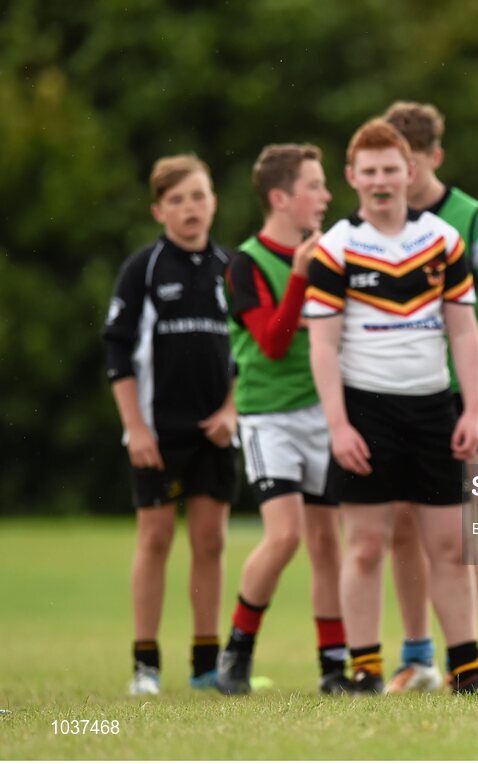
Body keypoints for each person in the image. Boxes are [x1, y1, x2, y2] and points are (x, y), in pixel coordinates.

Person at [305, 118, 478, 694]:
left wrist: (469, 411)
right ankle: (364, 670)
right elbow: (322, 346)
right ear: (352, 178)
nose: (381, 181)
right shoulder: (336, 247)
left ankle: (466, 667)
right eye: (369, 172)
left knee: (448, 543)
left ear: (409, 172)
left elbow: (465, 334)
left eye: (390, 169)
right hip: (365, 413)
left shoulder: (443, 239)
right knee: (366, 544)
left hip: (433, 409)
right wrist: (338, 425)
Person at [382, 101, 478, 693]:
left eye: (407, 164)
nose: (397, 177)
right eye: (388, 165)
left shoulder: (470, 217)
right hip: (391, 397)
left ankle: (465, 654)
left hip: (458, 398)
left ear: (433, 157)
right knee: (399, 530)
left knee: (458, 529)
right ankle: (417, 657)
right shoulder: (372, 222)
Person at [215, 144, 349, 695]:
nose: (325, 196)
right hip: (269, 418)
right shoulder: (245, 263)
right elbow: (271, 343)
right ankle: (236, 652)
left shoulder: (333, 254)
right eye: (314, 186)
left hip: (323, 411)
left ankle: (335, 668)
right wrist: (299, 276)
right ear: (280, 197)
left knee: (326, 543)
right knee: (285, 537)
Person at [103, 154, 237, 695]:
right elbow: (117, 352)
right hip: (157, 433)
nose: (190, 209)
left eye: (198, 196)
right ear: (159, 209)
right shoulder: (144, 269)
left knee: (210, 541)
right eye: (178, 200)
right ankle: (146, 668)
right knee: (155, 538)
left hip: (216, 431)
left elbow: (250, 351)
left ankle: (207, 667)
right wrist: (135, 427)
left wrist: (232, 411)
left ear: (214, 202)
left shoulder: (232, 269)